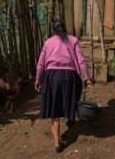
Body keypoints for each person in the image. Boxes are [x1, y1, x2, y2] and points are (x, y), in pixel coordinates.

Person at [35, 20, 93, 153]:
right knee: (71, 95)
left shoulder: (48, 42)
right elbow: (81, 60)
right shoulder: (73, 40)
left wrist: (38, 79)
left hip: (52, 76)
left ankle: (57, 143)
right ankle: (70, 118)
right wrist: (87, 78)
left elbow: (41, 63)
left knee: (54, 108)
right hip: (70, 75)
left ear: (53, 31)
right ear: (65, 29)